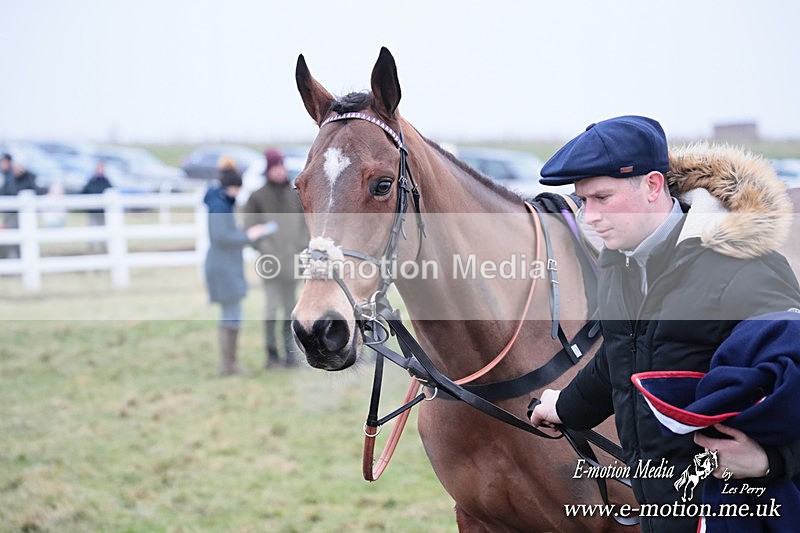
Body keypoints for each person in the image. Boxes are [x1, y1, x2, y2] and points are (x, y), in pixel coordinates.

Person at [529, 115, 800, 532]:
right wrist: (564, 407)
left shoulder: (747, 268)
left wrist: (772, 460)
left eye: (603, 197)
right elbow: (622, 358)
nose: (590, 217)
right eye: (583, 202)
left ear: (654, 185)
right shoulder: (618, 261)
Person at [204, 156, 270, 376]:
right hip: (224, 268)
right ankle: (228, 364)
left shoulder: (219, 202)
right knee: (231, 313)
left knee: (231, 312)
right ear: (232, 187)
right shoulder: (219, 206)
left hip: (225, 266)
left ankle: (229, 363)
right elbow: (220, 237)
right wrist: (247, 235)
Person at [243, 148, 307, 369]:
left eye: (281, 166)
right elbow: (250, 228)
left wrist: (301, 247)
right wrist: (266, 249)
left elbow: (305, 224)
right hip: (270, 264)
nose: (279, 171)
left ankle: (290, 355)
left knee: (292, 310)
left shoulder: (294, 194)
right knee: (271, 309)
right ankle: (271, 356)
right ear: (268, 169)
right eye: (275, 167)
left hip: (292, 262)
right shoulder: (257, 197)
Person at [1, 153, 44, 259]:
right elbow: (5, 193)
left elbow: (37, 192)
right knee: (11, 239)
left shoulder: (31, 177)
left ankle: (25, 259)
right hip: (11, 215)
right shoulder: (9, 178)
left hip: (26, 215)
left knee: (27, 239)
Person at [81, 161, 113, 252]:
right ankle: (91, 246)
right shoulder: (91, 181)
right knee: (92, 227)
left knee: (104, 227)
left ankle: (104, 246)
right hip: (92, 210)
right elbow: (84, 192)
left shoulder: (106, 181)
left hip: (102, 210)